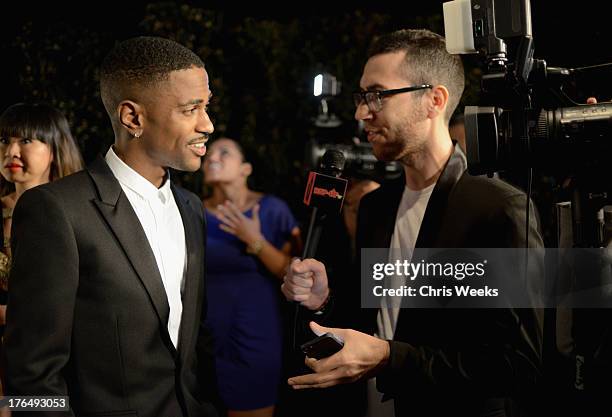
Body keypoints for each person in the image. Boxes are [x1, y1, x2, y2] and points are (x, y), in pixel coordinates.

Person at [282, 29, 543, 417]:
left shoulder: (499, 209)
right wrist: (325, 300)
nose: (360, 113)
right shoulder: (376, 206)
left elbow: (517, 364)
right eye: (361, 96)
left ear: (433, 101)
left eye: (377, 95)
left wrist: (390, 359)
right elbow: (377, 318)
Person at [4, 36, 218, 417]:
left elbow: (194, 343)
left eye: (207, 106)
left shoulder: (191, 208)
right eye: (191, 109)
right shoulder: (56, 210)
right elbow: (28, 377)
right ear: (132, 117)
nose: (208, 124)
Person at [202, 137, 300, 417]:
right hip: (204, 339)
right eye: (208, 154)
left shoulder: (273, 210)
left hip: (255, 335)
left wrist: (254, 240)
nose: (212, 158)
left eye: (224, 152)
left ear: (246, 168)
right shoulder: (192, 210)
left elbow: (294, 274)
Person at [0, 102, 83, 416]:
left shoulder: (79, 214)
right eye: (4, 141)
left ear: (54, 149)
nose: (11, 152)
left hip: (61, 365)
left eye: (25, 140)